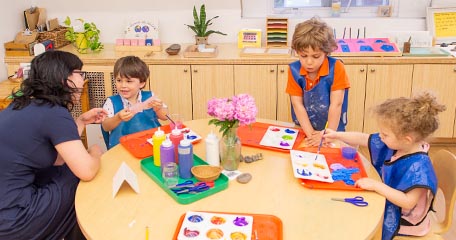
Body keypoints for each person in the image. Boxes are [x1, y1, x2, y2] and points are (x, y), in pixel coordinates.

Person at [0, 50, 108, 240]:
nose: (82, 80)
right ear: (63, 78)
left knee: (63, 170)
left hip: (5, 212)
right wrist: (96, 153)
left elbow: (56, 158)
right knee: (81, 181)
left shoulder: (19, 105)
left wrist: (81, 121)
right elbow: (86, 170)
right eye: (79, 73)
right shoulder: (54, 112)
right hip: (16, 219)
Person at [323, 91, 446, 240]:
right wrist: (337, 135)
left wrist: (376, 186)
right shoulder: (401, 144)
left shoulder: (420, 167)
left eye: (385, 135)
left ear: (407, 139)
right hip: (391, 202)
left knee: (354, 222)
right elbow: (365, 138)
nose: (380, 137)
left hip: (405, 223)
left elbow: (407, 202)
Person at [286, 16, 350, 146]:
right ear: (297, 51)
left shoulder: (337, 67)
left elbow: (336, 104)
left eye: (316, 56)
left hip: (333, 130)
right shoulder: (294, 70)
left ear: (326, 52)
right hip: (304, 128)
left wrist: (327, 136)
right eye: (303, 56)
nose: (309, 62)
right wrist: (311, 135)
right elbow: (297, 105)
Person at [101, 56, 168, 149]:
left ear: (142, 83)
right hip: (122, 149)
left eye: (129, 81)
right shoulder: (111, 102)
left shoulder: (150, 96)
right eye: (119, 80)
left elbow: (164, 117)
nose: (123, 85)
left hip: (151, 145)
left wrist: (159, 109)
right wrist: (118, 118)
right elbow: (105, 126)